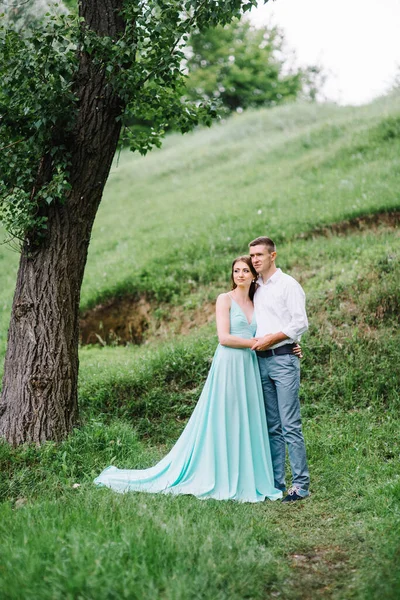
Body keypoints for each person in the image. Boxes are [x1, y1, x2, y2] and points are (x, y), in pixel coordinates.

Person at [94, 256, 286, 502]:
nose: (240, 274)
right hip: (229, 364)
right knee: (225, 417)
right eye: (236, 270)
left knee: (246, 417)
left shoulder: (257, 301)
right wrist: (256, 343)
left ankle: (248, 474)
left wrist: (290, 345)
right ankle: (220, 472)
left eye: (245, 270)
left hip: (249, 365)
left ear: (253, 275)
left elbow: (273, 327)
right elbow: (224, 338)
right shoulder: (224, 300)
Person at [249, 236, 310, 502]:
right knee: (272, 426)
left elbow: (300, 323)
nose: (255, 260)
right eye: (252, 256)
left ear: (273, 256)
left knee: (290, 425)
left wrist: (275, 340)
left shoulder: (288, 285)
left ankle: (300, 485)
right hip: (261, 363)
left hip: (284, 360)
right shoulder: (255, 287)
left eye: (259, 255)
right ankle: (276, 482)